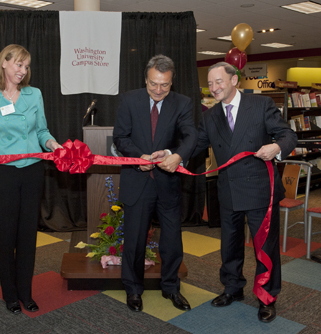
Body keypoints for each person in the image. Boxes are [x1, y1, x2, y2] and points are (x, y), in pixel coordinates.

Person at [179, 62, 297, 323]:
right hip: (228, 191)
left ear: (235, 80)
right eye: (210, 83)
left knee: (264, 248)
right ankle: (233, 288)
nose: (214, 87)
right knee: (229, 246)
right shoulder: (210, 117)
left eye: (218, 81)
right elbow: (196, 145)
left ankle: (267, 297)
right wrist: (174, 156)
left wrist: (276, 147)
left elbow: (288, 134)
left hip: (260, 192)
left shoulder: (261, 105)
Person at [0, 44, 62, 315]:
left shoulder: (34, 95)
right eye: (19, 65)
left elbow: (43, 131)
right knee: (6, 235)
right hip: (4, 174)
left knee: (27, 236)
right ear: (4, 64)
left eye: (26, 66)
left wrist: (54, 145)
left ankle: (26, 292)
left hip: (33, 171)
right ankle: (10, 295)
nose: (23, 71)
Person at [113, 54, 198, 313]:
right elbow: (121, 137)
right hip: (137, 181)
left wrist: (177, 155)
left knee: (172, 241)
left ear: (172, 82)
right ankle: (133, 289)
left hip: (168, 182)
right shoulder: (129, 100)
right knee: (135, 240)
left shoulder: (182, 103)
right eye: (153, 84)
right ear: (146, 78)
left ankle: (171, 287)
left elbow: (190, 135)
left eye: (165, 85)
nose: (159, 90)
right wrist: (137, 156)